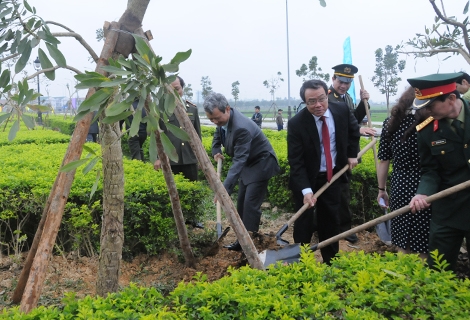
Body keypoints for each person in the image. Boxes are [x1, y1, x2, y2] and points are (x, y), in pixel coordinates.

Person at [288, 79, 360, 265]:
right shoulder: (297, 123)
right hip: (308, 179)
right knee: (303, 222)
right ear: (305, 102)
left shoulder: (341, 110)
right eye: (312, 101)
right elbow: (296, 162)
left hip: (332, 177)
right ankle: (300, 264)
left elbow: (354, 132)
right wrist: (306, 191)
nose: (318, 105)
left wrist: (352, 155)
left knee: (330, 220)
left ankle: (330, 263)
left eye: (321, 99)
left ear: (327, 94)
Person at [408, 72, 470, 272]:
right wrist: (422, 192)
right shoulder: (426, 130)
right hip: (448, 208)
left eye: (430, 105)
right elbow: (430, 170)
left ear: (451, 98)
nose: (426, 111)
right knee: (438, 267)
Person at [204, 93, 280, 251]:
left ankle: (250, 246)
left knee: (250, 206)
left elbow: (239, 161)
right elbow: (218, 136)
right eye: (211, 120)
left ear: (227, 109)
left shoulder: (241, 128)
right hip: (248, 165)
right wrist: (216, 149)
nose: (215, 122)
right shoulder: (222, 121)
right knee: (241, 205)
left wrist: (223, 190)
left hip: (261, 164)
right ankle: (242, 242)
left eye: (217, 118)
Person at [377, 86, 431, 260]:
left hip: (400, 184)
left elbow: (384, 160)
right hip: (426, 185)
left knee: (402, 238)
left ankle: (404, 280)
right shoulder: (428, 123)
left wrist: (381, 189)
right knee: (423, 237)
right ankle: (422, 280)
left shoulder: (390, 123)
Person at [327, 63, 376, 244]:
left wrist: (365, 103)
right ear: (333, 79)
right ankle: (336, 228)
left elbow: (353, 118)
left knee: (343, 191)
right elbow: (340, 125)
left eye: (347, 83)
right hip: (334, 153)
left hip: (346, 152)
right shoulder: (328, 98)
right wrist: (359, 130)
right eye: (341, 81)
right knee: (335, 192)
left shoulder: (345, 97)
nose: (343, 86)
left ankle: (343, 227)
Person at [153, 76, 202, 182]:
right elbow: (157, 137)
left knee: (192, 192)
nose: (174, 93)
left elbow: (197, 135)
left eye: (177, 89)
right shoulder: (160, 111)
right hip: (170, 160)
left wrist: (201, 158)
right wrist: (158, 158)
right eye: (169, 90)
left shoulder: (192, 109)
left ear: (182, 89)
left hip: (190, 159)